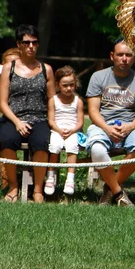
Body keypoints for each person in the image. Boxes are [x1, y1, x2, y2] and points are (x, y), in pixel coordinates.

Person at [84, 39, 135, 206]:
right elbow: (93, 111)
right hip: (103, 124)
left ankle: (109, 188)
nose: (124, 58)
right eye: (120, 54)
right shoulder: (98, 77)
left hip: (130, 125)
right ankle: (119, 193)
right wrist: (107, 128)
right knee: (96, 148)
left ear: (134, 58)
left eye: (128, 55)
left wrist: (130, 127)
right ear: (112, 56)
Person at [0, 25, 56, 203]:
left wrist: (53, 122)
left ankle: (38, 190)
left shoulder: (46, 69)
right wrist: (17, 122)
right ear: (19, 44)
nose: (31, 46)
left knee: (41, 142)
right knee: (7, 139)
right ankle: (13, 186)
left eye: (34, 42)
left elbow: (52, 100)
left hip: (39, 117)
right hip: (13, 117)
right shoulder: (9, 68)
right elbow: (2, 102)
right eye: (26, 42)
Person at [45, 66, 84, 196]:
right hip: (57, 130)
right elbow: (51, 120)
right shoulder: (53, 100)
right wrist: (59, 130)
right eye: (65, 85)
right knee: (55, 146)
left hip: (73, 131)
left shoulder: (78, 101)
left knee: (72, 146)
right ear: (57, 85)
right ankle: (50, 177)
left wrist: (72, 130)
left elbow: (80, 122)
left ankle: (70, 178)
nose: (69, 88)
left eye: (72, 85)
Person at [0, 48, 21, 185]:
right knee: (1, 139)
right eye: (8, 64)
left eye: (15, 64)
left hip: (25, 122)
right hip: (6, 124)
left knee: (0, 140)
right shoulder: (0, 84)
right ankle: (4, 183)